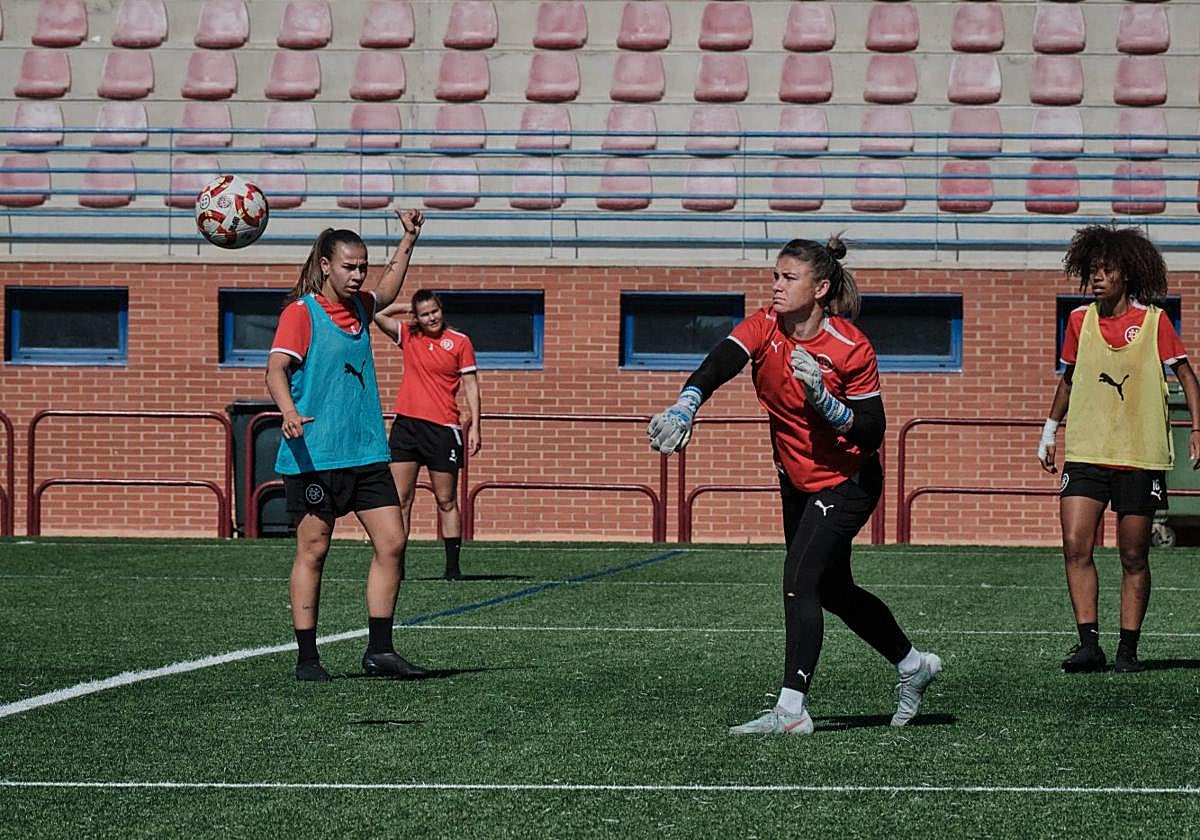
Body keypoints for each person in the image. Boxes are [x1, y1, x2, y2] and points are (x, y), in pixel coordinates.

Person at [648, 236, 942, 735]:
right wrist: (687, 403)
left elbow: (873, 429)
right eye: (775, 276)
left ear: (820, 287)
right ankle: (914, 666)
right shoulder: (765, 325)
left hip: (848, 479)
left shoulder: (851, 346)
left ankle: (790, 711)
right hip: (797, 480)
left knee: (799, 579)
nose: (776, 286)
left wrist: (828, 404)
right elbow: (719, 362)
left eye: (789, 278)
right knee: (833, 590)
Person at [266, 209, 427, 682]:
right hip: (316, 455)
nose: (357, 275)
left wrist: (408, 238)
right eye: (349, 267)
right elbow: (276, 369)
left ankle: (380, 651)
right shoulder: (301, 313)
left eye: (362, 267)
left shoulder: (360, 308)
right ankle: (308, 658)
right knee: (315, 549)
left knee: (393, 542)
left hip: (367, 451)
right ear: (324, 266)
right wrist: (289, 412)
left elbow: (391, 289)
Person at [1037, 224, 1200, 674]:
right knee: (1075, 544)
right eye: (1092, 270)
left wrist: (1197, 429)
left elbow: (1187, 376)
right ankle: (1088, 644)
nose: (1097, 278)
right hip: (1087, 450)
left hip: (1139, 454)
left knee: (1133, 555)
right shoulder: (1078, 321)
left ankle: (1128, 649)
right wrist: (1049, 430)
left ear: (1127, 275)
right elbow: (1069, 379)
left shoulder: (1155, 322)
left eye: (1106, 270)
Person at [374, 289, 482, 580]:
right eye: (424, 314)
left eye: (434, 311)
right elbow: (377, 314)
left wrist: (476, 426)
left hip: (443, 429)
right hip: (406, 427)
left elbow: (471, 385)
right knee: (400, 499)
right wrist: (405, 309)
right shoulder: (409, 336)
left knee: (446, 499)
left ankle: (452, 568)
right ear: (417, 317)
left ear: (441, 310)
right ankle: (397, 567)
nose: (431, 317)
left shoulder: (460, 342)